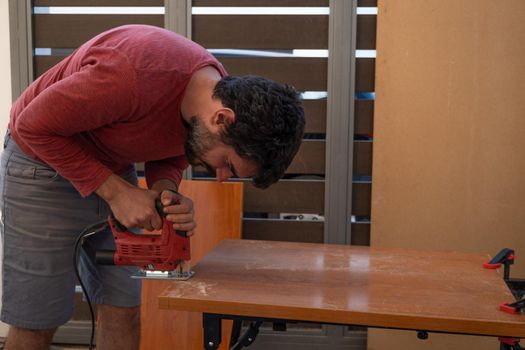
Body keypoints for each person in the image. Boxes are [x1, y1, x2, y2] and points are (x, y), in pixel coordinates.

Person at [0, 24, 305, 350]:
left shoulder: (212, 96)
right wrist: (117, 193)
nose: (220, 177)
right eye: (227, 164)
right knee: (38, 322)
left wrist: (165, 192)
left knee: (123, 309)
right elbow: (31, 125)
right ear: (222, 119)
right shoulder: (130, 74)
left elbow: (177, 145)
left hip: (110, 168)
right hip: (41, 165)